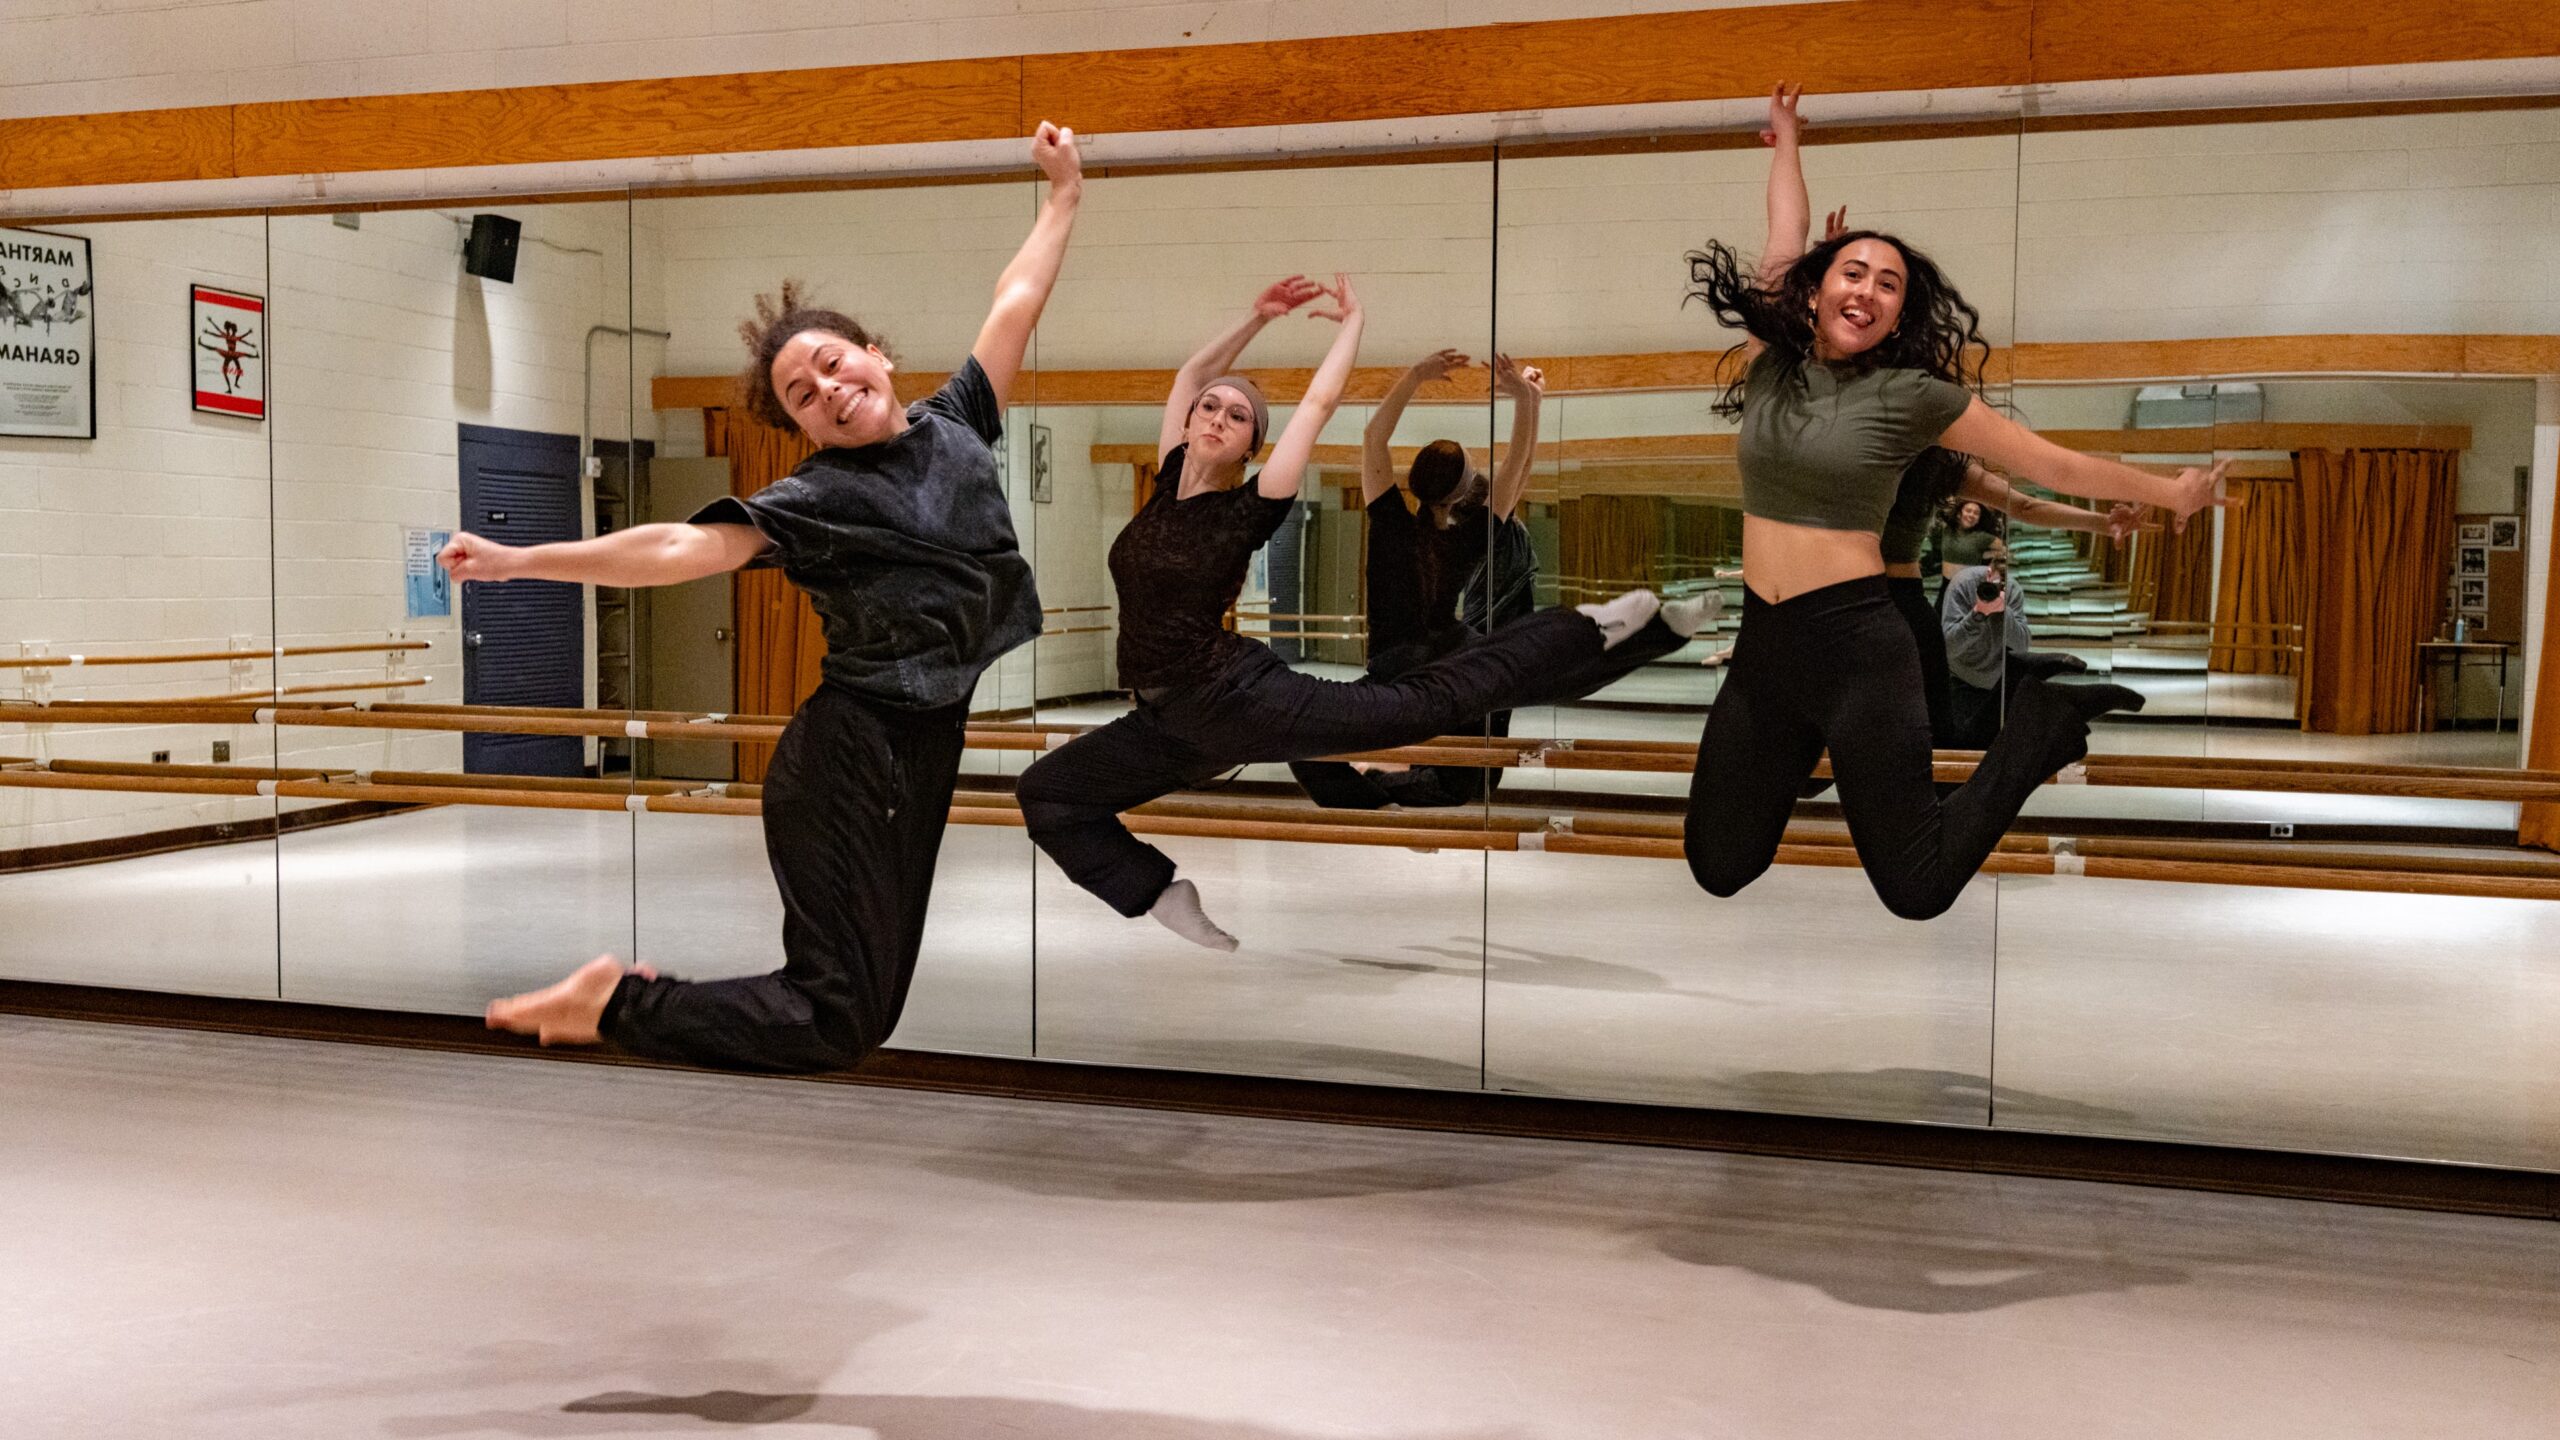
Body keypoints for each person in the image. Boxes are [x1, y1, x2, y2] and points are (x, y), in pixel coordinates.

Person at [445, 123, 1085, 1072]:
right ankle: (617, 1005)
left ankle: (618, 1004)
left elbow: (1017, 299)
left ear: (876, 356)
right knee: (835, 1017)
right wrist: (519, 560)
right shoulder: (815, 499)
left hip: (924, 748)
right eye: (800, 396)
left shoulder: (958, 422)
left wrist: (1065, 194)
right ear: (802, 430)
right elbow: (675, 547)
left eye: (831, 364)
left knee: (861, 1017)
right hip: (851, 755)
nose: (826, 389)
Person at [1016, 274, 1709, 951]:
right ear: (1190, 419)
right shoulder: (1169, 476)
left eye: (1238, 416)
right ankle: (1160, 893)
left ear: (1252, 446)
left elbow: (1320, 406)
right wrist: (1257, 317)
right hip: (1167, 720)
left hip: (1232, 695)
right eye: (1210, 407)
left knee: (1429, 702)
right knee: (1048, 793)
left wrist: (1353, 324)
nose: (1217, 416)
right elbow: (1190, 374)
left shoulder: (1251, 506)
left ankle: (1594, 629)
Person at [1680, 84, 2229, 920]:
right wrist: (1787, 140)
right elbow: (1783, 232)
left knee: (1917, 888)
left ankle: (2041, 724)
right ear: (1815, 290)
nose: (1867, 290)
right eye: (1852, 272)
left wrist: (2171, 490)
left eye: (1889, 284)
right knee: (1718, 862)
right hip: (1765, 648)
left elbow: (2050, 464)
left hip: (1859, 647)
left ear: (1900, 315)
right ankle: (1805, 751)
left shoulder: (1914, 397)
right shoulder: (1771, 363)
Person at [1288, 348, 1562, 810]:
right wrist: (1527, 400)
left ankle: (1380, 791)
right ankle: (1394, 784)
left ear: (1414, 479)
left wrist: (1415, 376)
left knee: (1301, 741)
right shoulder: (1466, 540)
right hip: (1445, 671)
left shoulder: (1389, 522)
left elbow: (1374, 437)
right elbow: (1518, 468)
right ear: (1463, 492)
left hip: (1393, 676)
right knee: (1470, 771)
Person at [1939, 542, 2035, 748]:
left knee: (1995, 750)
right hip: (1962, 681)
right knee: (1962, 748)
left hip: (1999, 686)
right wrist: (1978, 613)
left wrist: (2004, 612)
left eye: (2002, 586)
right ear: (1988, 573)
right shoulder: (1962, 585)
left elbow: (2022, 647)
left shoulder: (2013, 591)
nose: (1995, 590)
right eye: (1994, 583)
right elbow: (1949, 647)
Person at [1934, 496, 2001, 579]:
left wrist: (1984, 555)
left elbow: (2004, 550)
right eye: (1968, 511)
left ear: (1978, 520)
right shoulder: (1947, 530)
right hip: (1946, 582)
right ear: (1959, 514)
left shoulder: (1981, 537)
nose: (1971, 515)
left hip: (1969, 583)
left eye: (1976, 513)